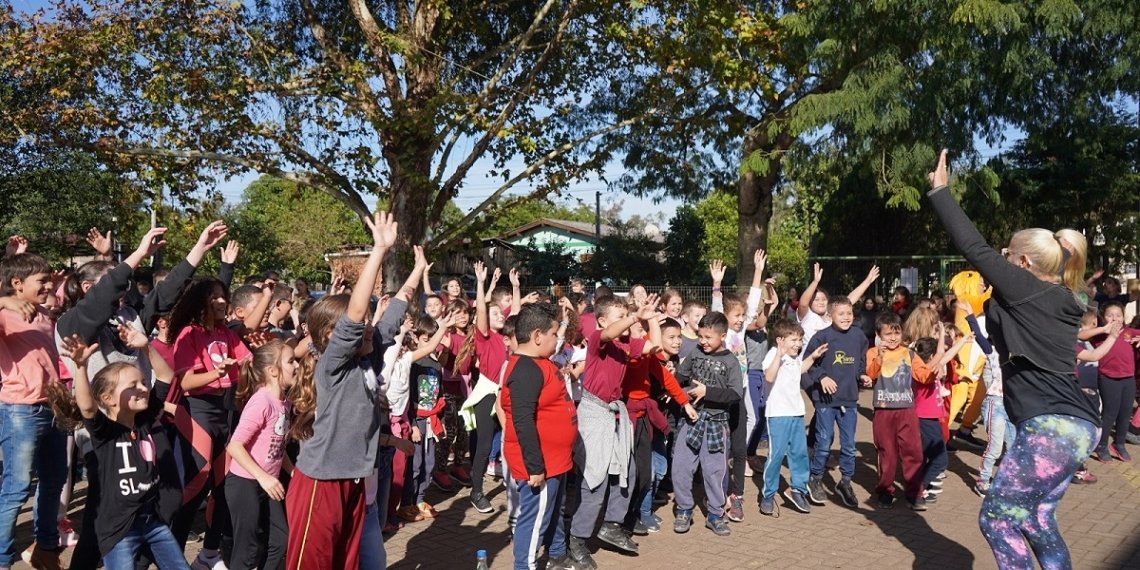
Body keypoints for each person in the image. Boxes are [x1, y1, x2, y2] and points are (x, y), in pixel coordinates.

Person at [926, 149, 1102, 569]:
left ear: (1023, 263)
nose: (1000, 260)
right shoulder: (1060, 296)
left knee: (997, 518)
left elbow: (973, 247)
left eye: (1007, 256)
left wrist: (941, 192)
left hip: (1052, 425)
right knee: (1037, 517)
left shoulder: (1025, 287)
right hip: (1077, 426)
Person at [284, 211, 398, 569]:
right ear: (333, 337)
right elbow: (354, 315)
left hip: (351, 480)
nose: (369, 330)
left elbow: (391, 317)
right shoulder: (333, 365)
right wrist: (378, 251)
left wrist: (413, 276)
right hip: (321, 481)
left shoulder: (365, 361)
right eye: (361, 326)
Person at [59, 327, 190, 570]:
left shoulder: (145, 419)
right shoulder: (105, 432)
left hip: (153, 522)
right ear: (108, 398)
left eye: (142, 382)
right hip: (118, 529)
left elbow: (165, 376)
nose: (142, 387)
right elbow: (88, 408)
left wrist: (145, 347)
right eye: (133, 385)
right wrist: (80, 367)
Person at [565, 293, 657, 567]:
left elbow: (657, 347)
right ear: (602, 320)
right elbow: (609, 333)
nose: (625, 322)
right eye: (619, 316)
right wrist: (634, 316)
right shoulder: (597, 341)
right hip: (594, 414)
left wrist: (650, 319)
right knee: (596, 480)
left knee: (627, 471)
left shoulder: (623, 345)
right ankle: (577, 539)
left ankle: (611, 525)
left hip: (614, 413)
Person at [167, 277, 253, 568]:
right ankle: (171, 555)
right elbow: (187, 381)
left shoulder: (226, 333)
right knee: (197, 481)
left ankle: (209, 554)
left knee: (224, 485)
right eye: (214, 296)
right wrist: (218, 372)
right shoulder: (188, 334)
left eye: (223, 296)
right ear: (200, 301)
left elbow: (248, 361)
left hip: (224, 410)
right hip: (197, 410)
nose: (221, 301)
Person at [0, 252, 69, 569]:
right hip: (20, 411)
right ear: (17, 284)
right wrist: (4, 301)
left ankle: (45, 548)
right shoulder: (5, 314)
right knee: (16, 488)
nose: (48, 286)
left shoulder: (44, 313)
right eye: (41, 281)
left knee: (55, 479)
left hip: (52, 408)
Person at [500, 302, 580, 570]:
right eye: (554, 334)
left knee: (552, 511)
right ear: (537, 336)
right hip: (540, 463)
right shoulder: (525, 370)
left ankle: (554, 555)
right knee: (535, 520)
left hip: (555, 458)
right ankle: (525, 565)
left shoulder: (539, 361)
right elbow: (522, 422)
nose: (557, 340)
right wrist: (535, 467)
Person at [225, 340, 297, 570]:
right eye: (291, 361)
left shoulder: (284, 403)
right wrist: (264, 478)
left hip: (268, 485)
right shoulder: (261, 401)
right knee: (247, 550)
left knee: (280, 541)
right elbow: (235, 446)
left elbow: (276, 447)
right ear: (273, 370)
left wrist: (292, 471)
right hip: (245, 483)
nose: (297, 365)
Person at [671, 312, 742, 536]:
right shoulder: (695, 352)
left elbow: (735, 394)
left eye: (708, 337)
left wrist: (707, 392)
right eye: (701, 336)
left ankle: (715, 513)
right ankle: (684, 509)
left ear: (723, 335)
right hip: (691, 418)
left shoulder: (731, 362)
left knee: (714, 471)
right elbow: (681, 376)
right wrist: (671, 385)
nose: (703, 341)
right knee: (681, 466)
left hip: (716, 423)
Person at [802, 297, 870, 508]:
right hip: (825, 401)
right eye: (841, 314)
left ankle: (845, 482)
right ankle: (815, 478)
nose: (846, 318)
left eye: (849, 313)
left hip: (849, 400)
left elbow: (861, 361)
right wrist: (822, 376)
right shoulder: (822, 337)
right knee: (824, 442)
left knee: (849, 446)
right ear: (830, 316)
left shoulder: (858, 336)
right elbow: (807, 363)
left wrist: (862, 376)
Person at [865, 312, 934, 510]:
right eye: (888, 334)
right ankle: (885, 490)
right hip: (884, 409)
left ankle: (914, 491)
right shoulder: (873, 352)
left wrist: (935, 369)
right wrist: (879, 356)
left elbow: (923, 376)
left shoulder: (909, 353)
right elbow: (871, 373)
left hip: (907, 410)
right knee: (887, 451)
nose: (893, 338)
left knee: (913, 451)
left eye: (896, 333)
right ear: (879, 335)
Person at [759, 319, 826, 517]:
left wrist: (813, 357)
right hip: (778, 415)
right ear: (780, 340)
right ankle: (768, 495)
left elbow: (799, 370)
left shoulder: (795, 356)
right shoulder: (774, 354)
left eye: (800, 340)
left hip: (796, 412)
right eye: (794, 340)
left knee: (799, 454)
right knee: (776, 455)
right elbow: (769, 377)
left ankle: (798, 489)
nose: (798, 344)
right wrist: (778, 355)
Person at [397, 315, 454, 522]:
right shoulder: (413, 363)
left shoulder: (436, 365)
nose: (430, 344)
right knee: (414, 463)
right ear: (416, 338)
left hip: (432, 421)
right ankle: (407, 503)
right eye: (425, 339)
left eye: (433, 339)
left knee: (428, 463)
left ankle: (420, 498)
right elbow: (407, 397)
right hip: (417, 420)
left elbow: (438, 396)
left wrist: (441, 422)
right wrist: (412, 424)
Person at [1082, 301, 1140, 462]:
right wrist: (1102, 329)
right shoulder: (1100, 334)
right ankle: (1101, 445)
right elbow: (1080, 335)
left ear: (1123, 317)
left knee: (1125, 413)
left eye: (1118, 315)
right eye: (1110, 315)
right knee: (1109, 414)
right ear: (1103, 317)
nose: (1114, 318)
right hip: (1108, 379)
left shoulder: (1128, 332)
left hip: (1128, 379)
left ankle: (1119, 444)